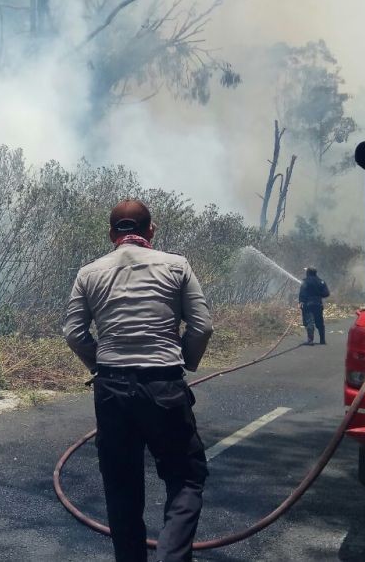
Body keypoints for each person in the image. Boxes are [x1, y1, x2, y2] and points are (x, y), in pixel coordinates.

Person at [64, 199, 213, 562]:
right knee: (186, 477)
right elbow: (202, 326)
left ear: (111, 233)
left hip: (112, 390)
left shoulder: (89, 273)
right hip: (164, 385)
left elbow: (73, 332)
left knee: (121, 488)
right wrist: (186, 361)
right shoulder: (177, 266)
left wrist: (100, 366)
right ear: (151, 230)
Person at [299, 267, 330, 345]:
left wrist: (301, 301)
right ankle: (322, 340)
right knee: (319, 322)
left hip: (308, 305)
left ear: (308, 273)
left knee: (309, 322)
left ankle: (310, 340)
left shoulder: (305, 281)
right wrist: (318, 294)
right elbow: (326, 293)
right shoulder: (321, 282)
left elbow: (302, 292)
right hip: (318, 304)